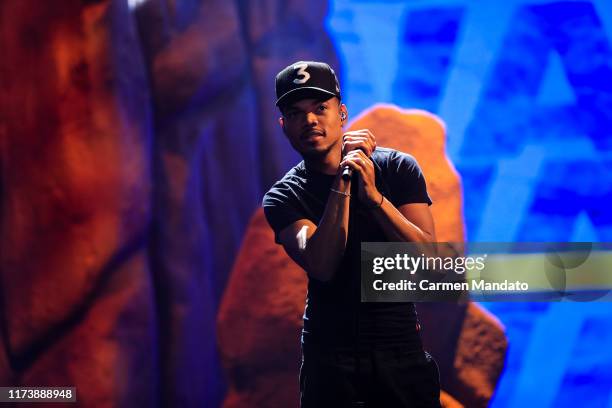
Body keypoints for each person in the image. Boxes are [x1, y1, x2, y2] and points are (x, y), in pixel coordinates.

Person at [262, 61, 442, 408]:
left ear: (342, 114)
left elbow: (431, 264)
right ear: (284, 126)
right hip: (330, 363)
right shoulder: (283, 197)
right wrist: (344, 178)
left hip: (400, 350)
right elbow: (322, 262)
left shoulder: (397, 168)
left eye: (320, 109)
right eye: (296, 113)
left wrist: (375, 199)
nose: (310, 121)